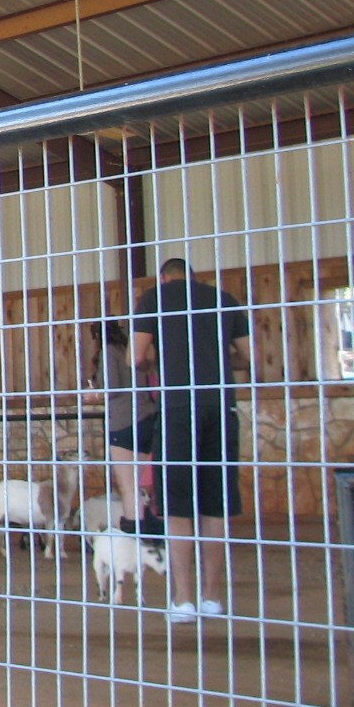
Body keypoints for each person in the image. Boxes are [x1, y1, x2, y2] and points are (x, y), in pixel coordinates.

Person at [131, 258, 251, 624]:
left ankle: (183, 600)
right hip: (221, 406)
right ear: (194, 277)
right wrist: (215, 357)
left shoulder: (154, 298)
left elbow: (135, 356)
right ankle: (212, 597)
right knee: (216, 504)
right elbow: (249, 356)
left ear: (164, 277)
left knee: (177, 505)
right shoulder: (224, 299)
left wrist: (159, 363)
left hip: (178, 408)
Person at [83, 321, 160, 535]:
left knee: (128, 487)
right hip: (147, 417)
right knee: (139, 483)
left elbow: (112, 388)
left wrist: (93, 395)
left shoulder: (108, 352)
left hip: (123, 422)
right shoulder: (130, 351)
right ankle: (147, 527)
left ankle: (136, 532)